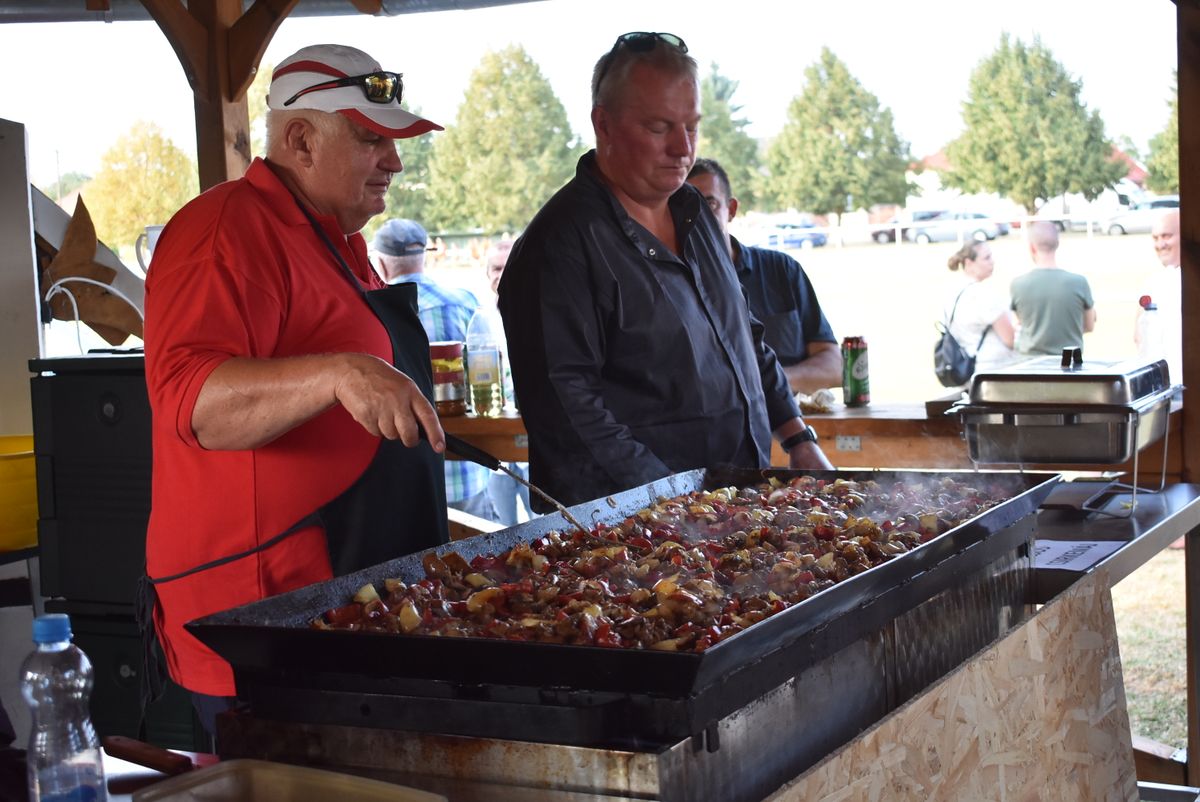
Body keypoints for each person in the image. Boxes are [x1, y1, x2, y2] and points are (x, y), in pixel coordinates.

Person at [142, 44, 448, 730]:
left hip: (352, 608)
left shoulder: (338, 240)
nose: (394, 162)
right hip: (264, 622)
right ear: (301, 139)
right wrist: (342, 372)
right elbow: (195, 404)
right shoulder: (227, 229)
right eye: (372, 139)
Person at [498, 31, 831, 510]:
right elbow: (570, 414)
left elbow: (744, 334)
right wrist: (681, 505)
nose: (683, 148)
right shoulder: (560, 245)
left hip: (729, 503)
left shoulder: (693, 209)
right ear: (603, 124)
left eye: (691, 126)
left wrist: (797, 435)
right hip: (625, 534)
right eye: (659, 127)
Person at [371, 218, 497, 521]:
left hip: (410, 474)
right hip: (470, 466)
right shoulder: (465, 301)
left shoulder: (376, 312)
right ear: (424, 257)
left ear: (383, 266)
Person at [686, 157, 842, 393]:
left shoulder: (782, 271)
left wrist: (770, 383)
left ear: (731, 209)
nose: (700, 216)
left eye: (710, 203)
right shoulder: (671, 285)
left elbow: (834, 367)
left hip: (794, 424)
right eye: (688, 206)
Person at [481, 240, 533, 525]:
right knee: (502, 529)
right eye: (496, 268)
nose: (502, 274)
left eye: (508, 267)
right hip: (497, 452)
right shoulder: (481, 318)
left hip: (533, 450)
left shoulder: (541, 313)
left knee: (542, 526)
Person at [1009, 221, 1096, 356]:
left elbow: (1019, 323)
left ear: (1032, 247)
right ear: (1057, 244)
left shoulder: (1018, 284)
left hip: (1030, 367)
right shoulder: (1079, 282)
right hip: (1068, 366)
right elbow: (1089, 325)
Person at [942, 240, 1017, 374]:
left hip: (964, 369)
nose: (992, 262)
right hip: (993, 371)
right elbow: (1010, 340)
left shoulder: (952, 292)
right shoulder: (985, 295)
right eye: (986, 258)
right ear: (969, 263)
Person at [1135, 209, 1182, 380]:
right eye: (1155, 238)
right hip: (1159, 387)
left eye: (1167, 236)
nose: (1160, 244)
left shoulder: (1192, 283)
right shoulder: (1152, 283)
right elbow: (1139, 336)